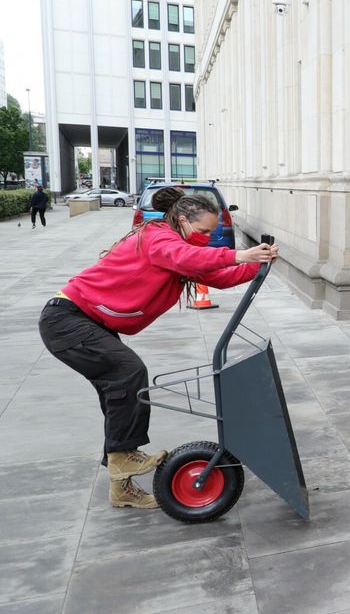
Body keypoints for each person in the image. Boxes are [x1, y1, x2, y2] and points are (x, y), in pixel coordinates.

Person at [38, 187, 278, 510]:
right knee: (128, 372)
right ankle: (123, 458)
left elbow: (217, 276)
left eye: (213, 232)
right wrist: (239, 254)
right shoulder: (159, 237)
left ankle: (121, 487)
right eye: (204, 230)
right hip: (67, 319)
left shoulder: (174, 248)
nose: (208, 238)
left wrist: (259, 264)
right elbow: (189, 258)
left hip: (89, 323)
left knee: (117, 396)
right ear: (181, 220)